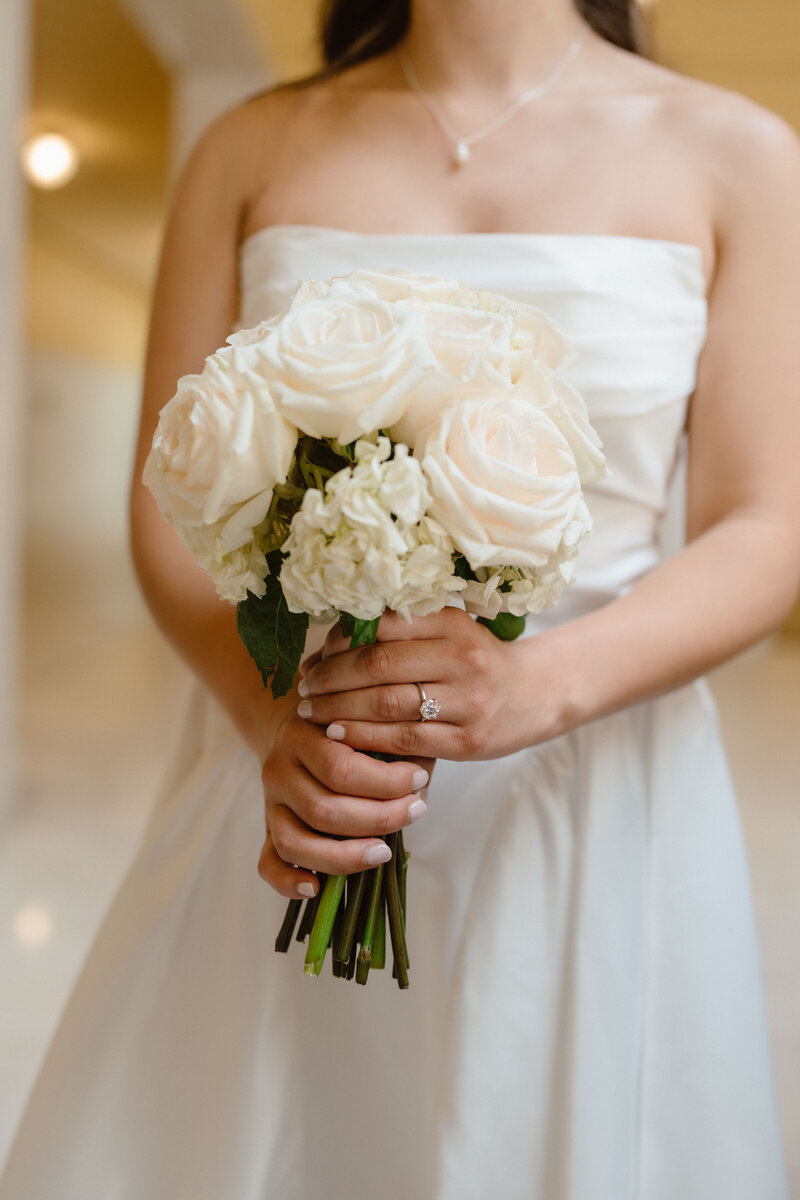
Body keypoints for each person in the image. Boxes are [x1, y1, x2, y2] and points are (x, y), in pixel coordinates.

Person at [2, 1, 798, 1196]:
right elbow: (167, 513)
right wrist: (285, 734)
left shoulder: (736, 155)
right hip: (295, 775)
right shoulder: (249, 145)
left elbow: (763, 524)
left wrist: (531, 685)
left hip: (587, 786)